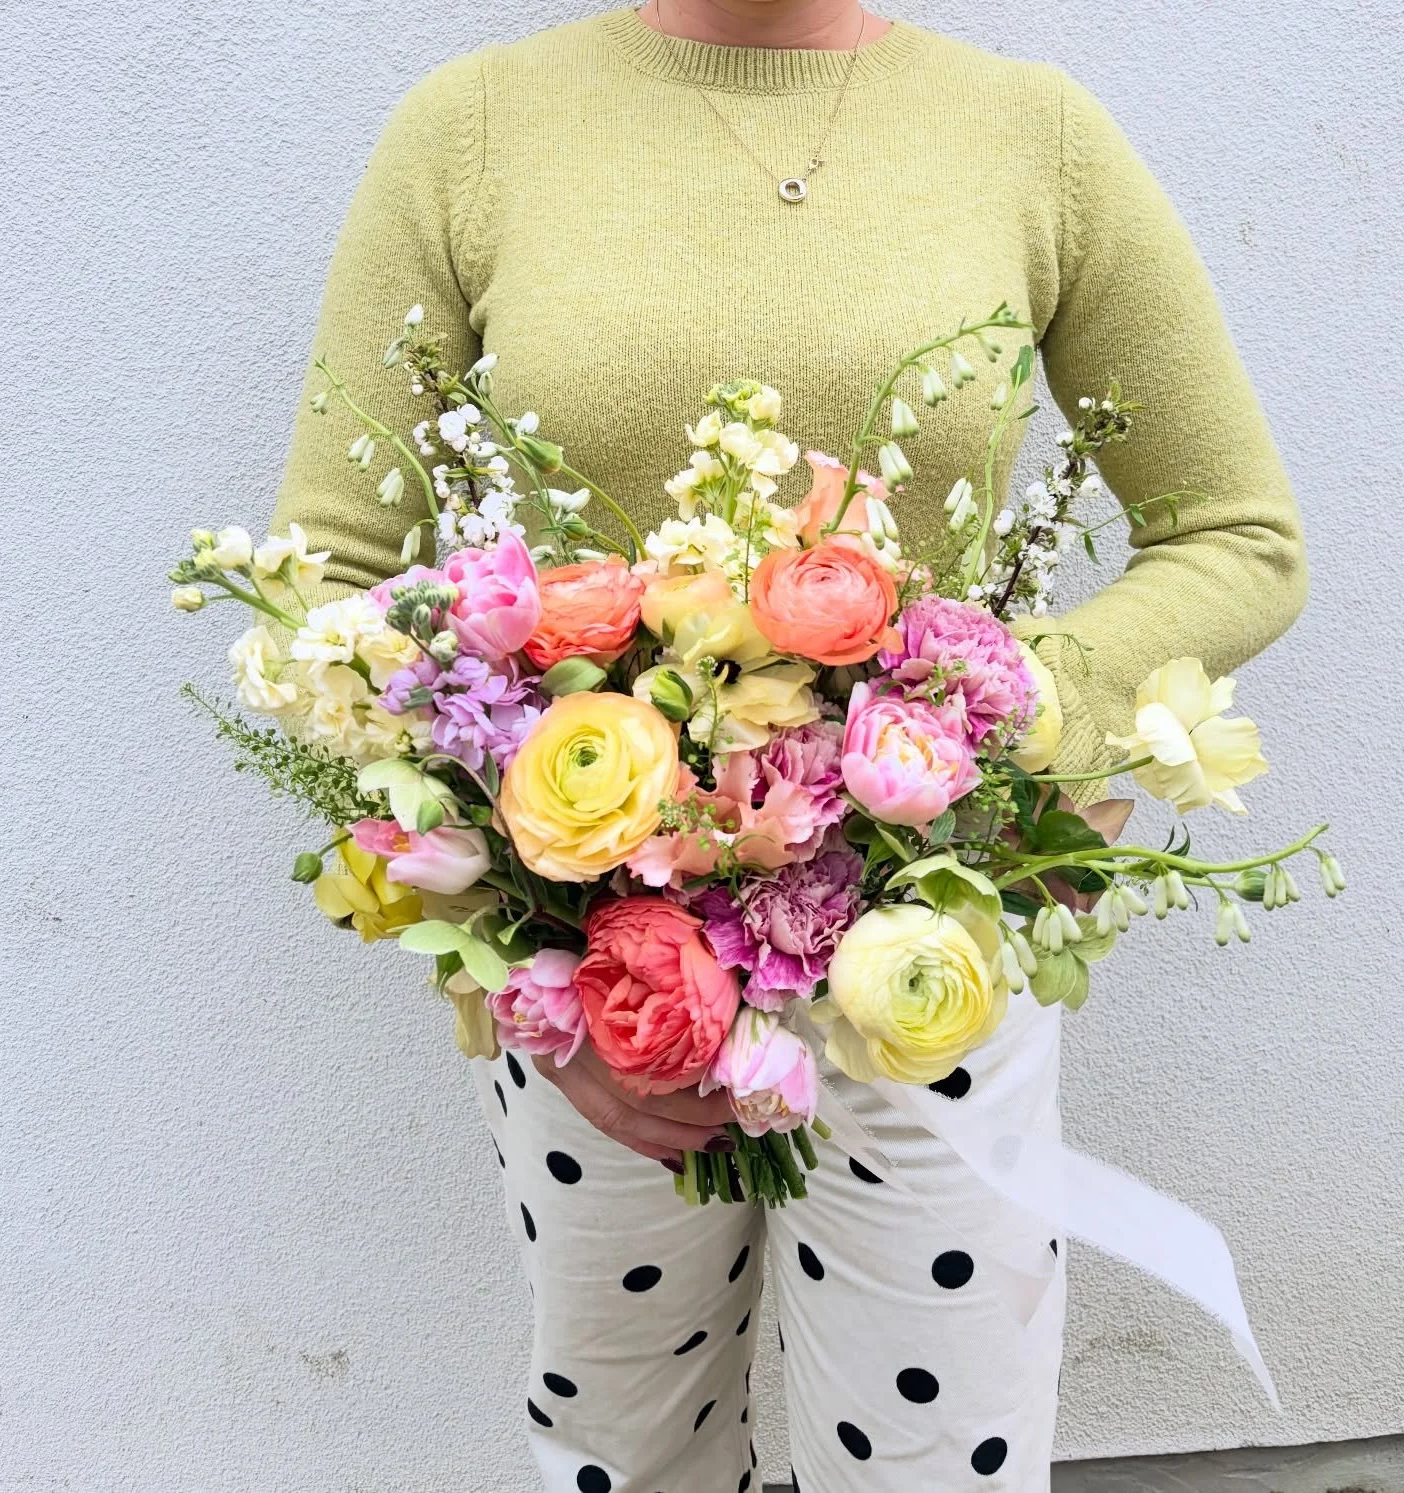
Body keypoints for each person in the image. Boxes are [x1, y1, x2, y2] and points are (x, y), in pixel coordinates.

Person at [268, 2, 1306, 1487]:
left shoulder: (1034, 137)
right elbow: (326, 582)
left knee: (931, 1455)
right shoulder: (476, 129)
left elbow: (1236, 534)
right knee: (627, 1445)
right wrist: (502, 934)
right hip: (604, 993)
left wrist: (999, 718)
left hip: (932, 968)